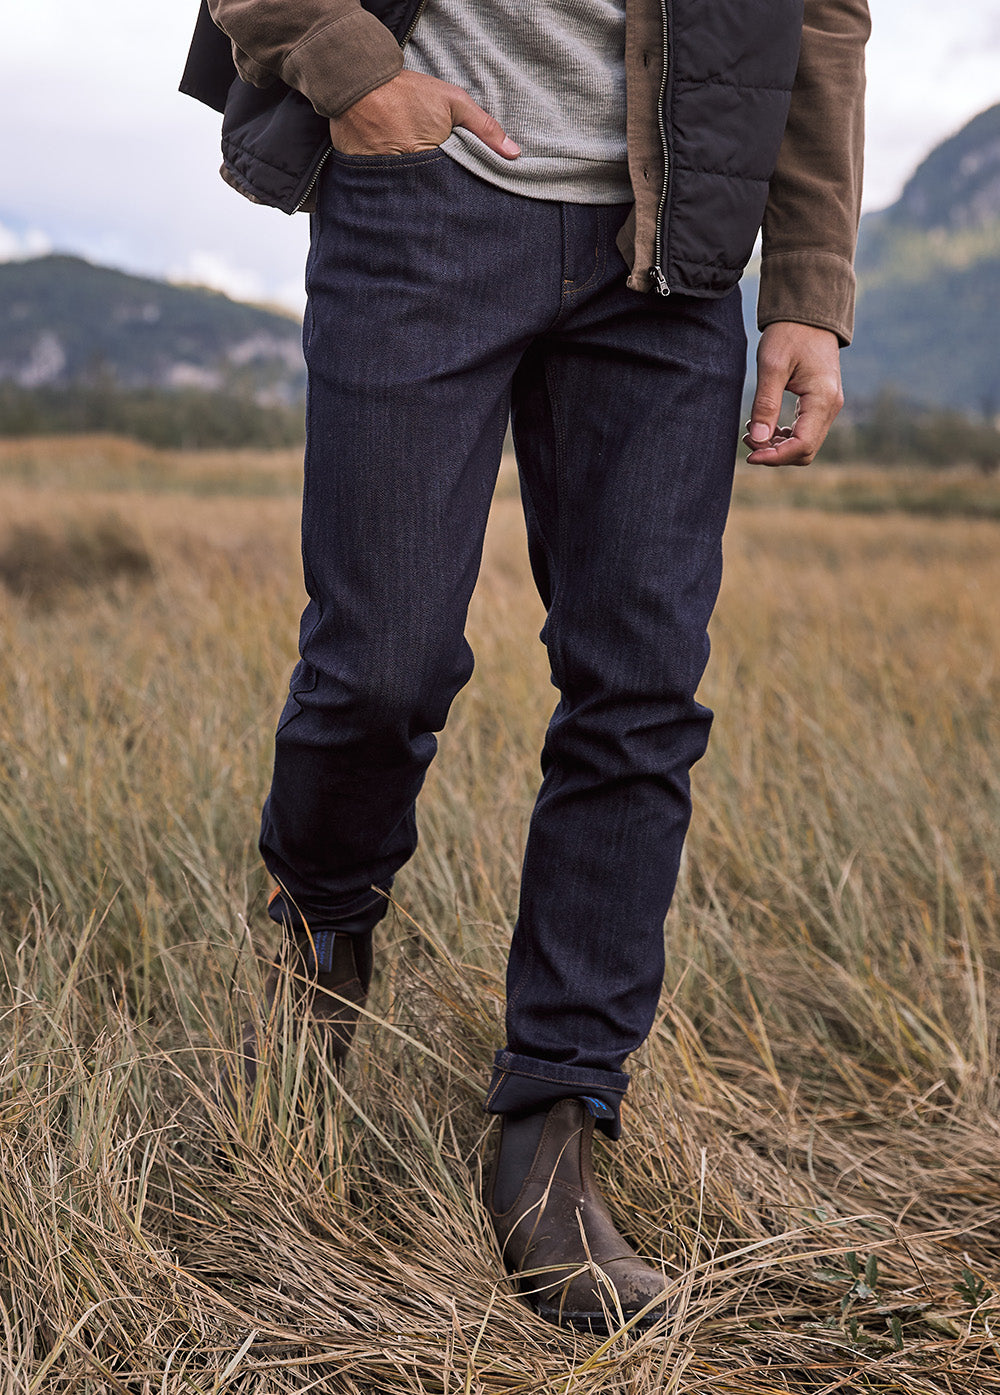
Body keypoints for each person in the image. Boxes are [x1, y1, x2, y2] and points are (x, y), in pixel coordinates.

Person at [181, 0, 870, 1333]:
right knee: (378, 669)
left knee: (641, 692)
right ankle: (323, 927)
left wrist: (808, 291)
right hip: (426, 194)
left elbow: (823, 19)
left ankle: (557, 1117)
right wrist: (349, 70)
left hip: (672, 244)